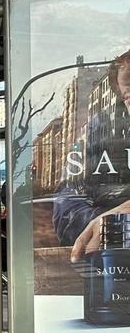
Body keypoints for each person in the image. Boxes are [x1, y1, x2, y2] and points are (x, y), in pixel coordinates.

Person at [54, 48, 130, 262]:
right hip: (110, 266)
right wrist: (105, 222)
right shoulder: (97, 130)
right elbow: (65, 208)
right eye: (128, 95)